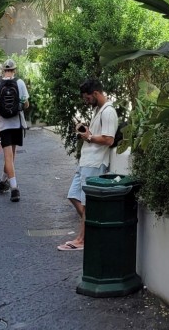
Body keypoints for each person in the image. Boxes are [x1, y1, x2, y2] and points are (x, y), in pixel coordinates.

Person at [58, 79, 117, 252]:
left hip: (95, 162)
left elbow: (108, 139)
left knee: (87, 202)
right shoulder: (99, 110)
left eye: (87, 98)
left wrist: (89, 137)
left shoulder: (108, 112)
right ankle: (92, 230)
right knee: (74, 196)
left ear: (96, 93)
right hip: (86, 161)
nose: (86, 101)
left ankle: (82, 239)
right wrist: (85, 131)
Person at [0, 59, 29, 202]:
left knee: (9, 156)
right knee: (11, 156)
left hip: (4, 125)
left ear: (2, 70)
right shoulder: (20, 83)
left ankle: (4, 182)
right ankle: (14, 188)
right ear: (14, 70)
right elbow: (26, 104)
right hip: (17, 123)